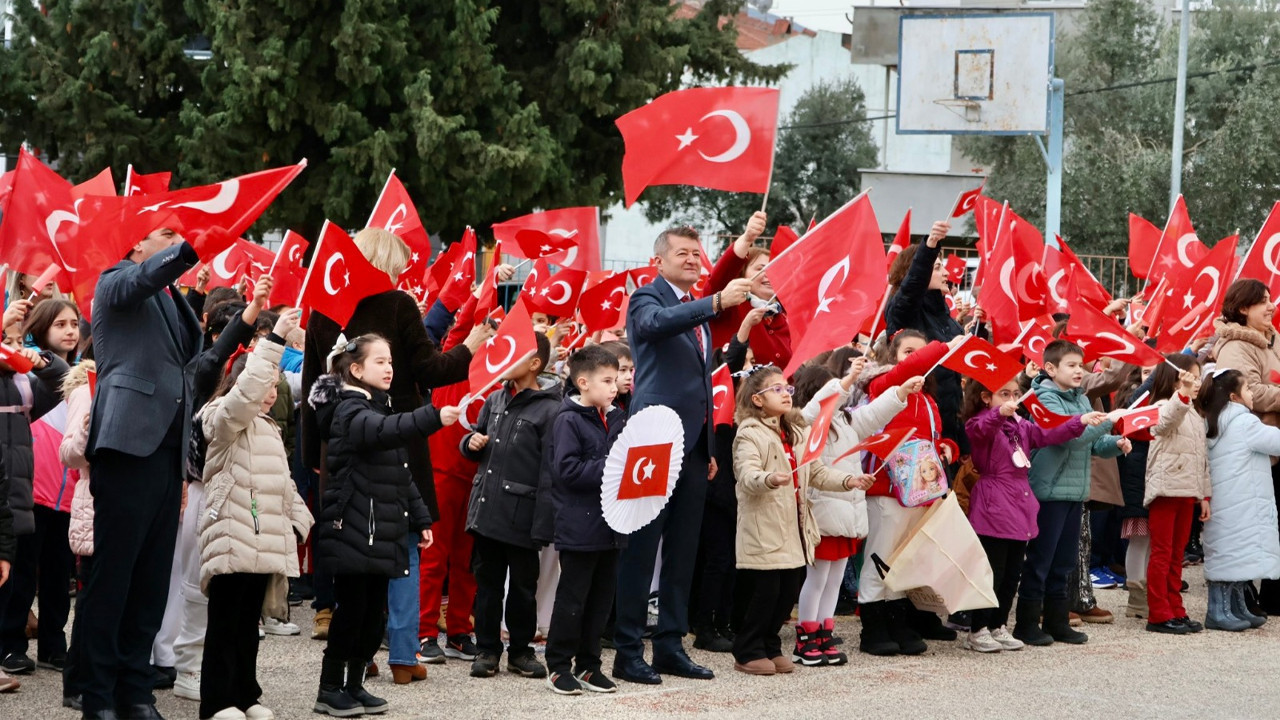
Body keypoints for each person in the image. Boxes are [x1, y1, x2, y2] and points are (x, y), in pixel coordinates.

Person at [614, 226, 754, 685]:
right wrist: (715, 303)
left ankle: (671, 645)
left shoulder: (694, 315)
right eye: (683, 253)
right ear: (659, 260)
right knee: (642, 547)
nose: (693, 259)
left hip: (693, 448)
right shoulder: (645, 299)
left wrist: (707, 448)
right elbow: (655, 326)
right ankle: (629, 649)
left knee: (683, 549)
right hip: (652, 443)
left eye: (698, 253)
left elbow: (702, 386)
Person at [80, 226, 203, 720]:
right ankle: (98, 695)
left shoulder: (174, 299)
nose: (177, 240)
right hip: (127, 446)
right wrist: (188, 251)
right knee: (114, 578)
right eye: (166, 235)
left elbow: (190, 363)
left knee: (151, 582)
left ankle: (136, 691)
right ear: (135, 246)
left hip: (167, 453)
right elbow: (142, 280)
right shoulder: (115, 280)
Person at [308, 334, 452, 716]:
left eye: (391, 361)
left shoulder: (377, 406)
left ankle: (354, 685)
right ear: (355, 369)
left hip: (378, 528)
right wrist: (433, 415)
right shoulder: (349, 409)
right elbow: (382, 432)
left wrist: (420, 518)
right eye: (380, 361)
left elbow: (400, 474)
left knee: (373, 616)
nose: (389, 368)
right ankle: (329, 688)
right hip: (352, 528)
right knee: (352, 612)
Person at [197, 309, 313, 720]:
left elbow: (281, 482)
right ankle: (216, 701)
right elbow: (241, 400)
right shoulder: (220, 417)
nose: (270, 391)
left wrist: (300, 521)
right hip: (232, 532)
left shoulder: (267, 426)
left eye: (274, 384)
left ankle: (246, 695)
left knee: (249, 624)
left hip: (262, 536)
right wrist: (275, 342)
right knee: (226, 622)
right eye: (265, 383)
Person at [729, 364, 873, 676]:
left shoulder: (793, 432)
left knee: (785, 593)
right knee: (765, 593)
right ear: (757, 400)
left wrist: (848, 481)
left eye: (787, 388)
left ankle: (770, 646)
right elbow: (746, 472)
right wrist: (767, 478)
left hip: (795, 526)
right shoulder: (750, 433)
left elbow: (816, 471)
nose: (785, 393)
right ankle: (748, 649)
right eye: (776, 389)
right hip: (765, 526)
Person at [791, 360, 920, 666]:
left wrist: (900, 391)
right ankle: (805, 638)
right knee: (817, 578)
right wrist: (848, 378)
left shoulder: (845, 421)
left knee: (834, 578)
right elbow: (815, 408)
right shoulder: (806, 422)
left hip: (847, 512)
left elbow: (874, 413)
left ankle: (824, 631)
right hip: (823, 511)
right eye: (834, 386)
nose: (843, 390)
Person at [961, 378, 1102, 653]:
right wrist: (996, 414)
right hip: (994, 500)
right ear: (986, 397)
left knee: (1013, 572)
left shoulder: (1021, 426)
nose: (1012, 398)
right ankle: (978, 628)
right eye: (1004, 393)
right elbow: (978, 431)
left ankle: (998, 625)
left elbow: (1049, 435)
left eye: (1015, 393)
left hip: (1018, 500)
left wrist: (1080, 420)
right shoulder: (980, 422)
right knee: (992, 571)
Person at [1014, 340, 1129, 647]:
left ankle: (1057, 621)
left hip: (1075, 492)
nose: (1080, 371)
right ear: (1050, 369)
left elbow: (1091, 445)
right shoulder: (1042, 398)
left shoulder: (1081, 399)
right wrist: (1107, 420)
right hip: (1049, 491)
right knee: (1041, 560)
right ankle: (1026, 623)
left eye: (1081, 365)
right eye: (1072, 365)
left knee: (1064, 561)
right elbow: (1070, 439)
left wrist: (1115, 445)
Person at [461, 332, 559, 681]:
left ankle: (521, 651)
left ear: (535, 364)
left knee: (522, 588)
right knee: (486, 585)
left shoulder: (551, 408)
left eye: (513, 354)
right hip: (488, 510)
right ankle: (487, 649)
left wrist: (544, 521)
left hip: (523, 515)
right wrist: (469, 442)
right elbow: (475, 438)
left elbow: (551, 471)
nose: (503, 360)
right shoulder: (495, 399)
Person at [858, 330, 961, 657]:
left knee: (902, 560)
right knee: (880, 557)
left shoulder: (928, 399)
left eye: (920, 351)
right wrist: (942, 348)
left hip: (920, 492)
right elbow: (907, 370)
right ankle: (872, 628)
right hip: (886, 489)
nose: (915, 357)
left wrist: (947, 449)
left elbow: (935, 439)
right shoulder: (882, 386)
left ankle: (897, 622)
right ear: (893, 357)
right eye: (908, 351)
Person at [0, 299, 80, 675]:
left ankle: (53, 643)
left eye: (74, 323)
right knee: (21, 571)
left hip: (68, 493)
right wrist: (25, 352)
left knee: (58, 573)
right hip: (31, 490)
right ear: (41, 329)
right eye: (59, 323)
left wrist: (46, 362)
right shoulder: (20, 373)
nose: (69, 330)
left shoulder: (72, 374)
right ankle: (12, 643)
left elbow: (61, 378)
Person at [542, 346, 626, 695]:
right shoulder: (568, 420)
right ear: (582, 383)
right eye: (606, 380)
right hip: (579, 524)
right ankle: (559, 665)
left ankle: (590, 665)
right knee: (573, 598)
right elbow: (567, 471)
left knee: (601, 599)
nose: (614, 386)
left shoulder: (617, 416)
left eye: (616, 378)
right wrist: (615, 466)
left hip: (613, 524)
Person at [1212, 279, 1280, 613]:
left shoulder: (1273, 339)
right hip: (1259, 443)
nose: (1271, 306)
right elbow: (1249, 391)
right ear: (1242, 308)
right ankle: (1258, 595)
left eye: (1271, 300)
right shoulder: (1234, 345)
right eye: (1263, 301)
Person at [1201, 368, 1279, 630]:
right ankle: (1218, 611)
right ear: (1234, 397)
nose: (1252, 394)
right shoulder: (1244, 422)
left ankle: (1234, 607)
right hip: (1241, 500)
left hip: (1228, 500)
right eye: (1248, 389)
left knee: (1229, 551)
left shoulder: (1216, 419)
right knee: (1234, 552)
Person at [883, 221, 967, 454]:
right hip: (917, 421)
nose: (946, 273)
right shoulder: (903, 309)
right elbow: (912, 289)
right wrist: (929, 248)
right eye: (938, 267)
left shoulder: (942, 313)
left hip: (948, 424)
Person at [705, 212, 792, 368]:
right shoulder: (729, 304)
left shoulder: (781, 317)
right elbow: (720, 277)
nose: (769, 275)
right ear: (742, 274)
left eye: (774, 269)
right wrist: (747, 238)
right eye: (760, 269)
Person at [60, 359, 95, 708]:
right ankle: (77, 682)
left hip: (133, 507)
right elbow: (68, 453)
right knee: (91, 603)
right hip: (95, 512)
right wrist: (86, 429)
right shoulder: (87, 389)